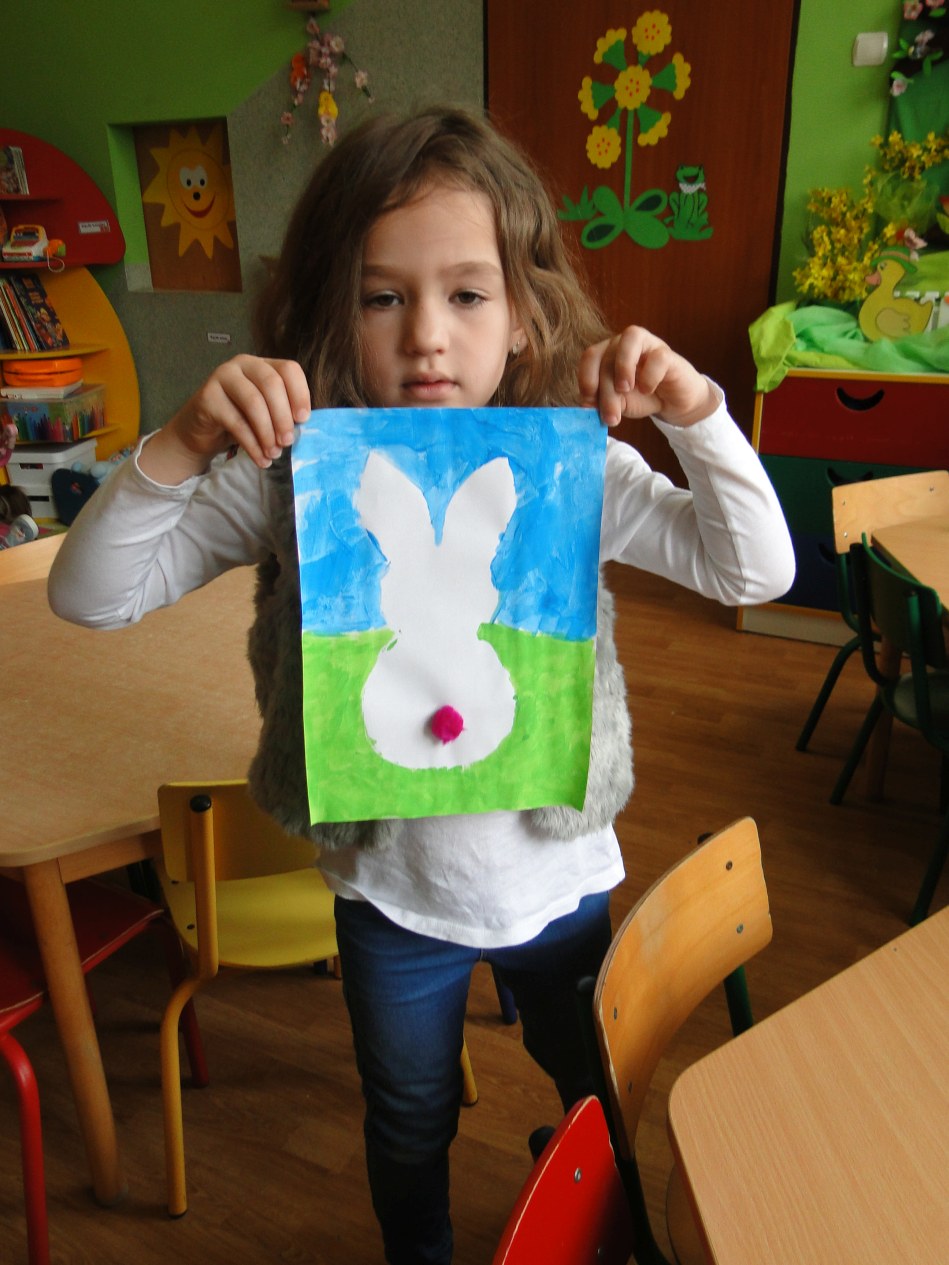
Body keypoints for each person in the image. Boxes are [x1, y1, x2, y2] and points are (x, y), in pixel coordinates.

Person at [48, 105, 795, 1264]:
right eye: (382, 296)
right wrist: (182, 442)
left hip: (559, 880)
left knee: (593, 1086)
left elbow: (754, 570)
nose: (427, 338)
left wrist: (696, 414)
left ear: (524, 310)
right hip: (391, 901)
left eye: (467, 293)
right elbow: (91, 595)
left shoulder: (566, 464)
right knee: (407, 1118)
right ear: (330, 309)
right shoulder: (294, 477)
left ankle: (608, 1222)